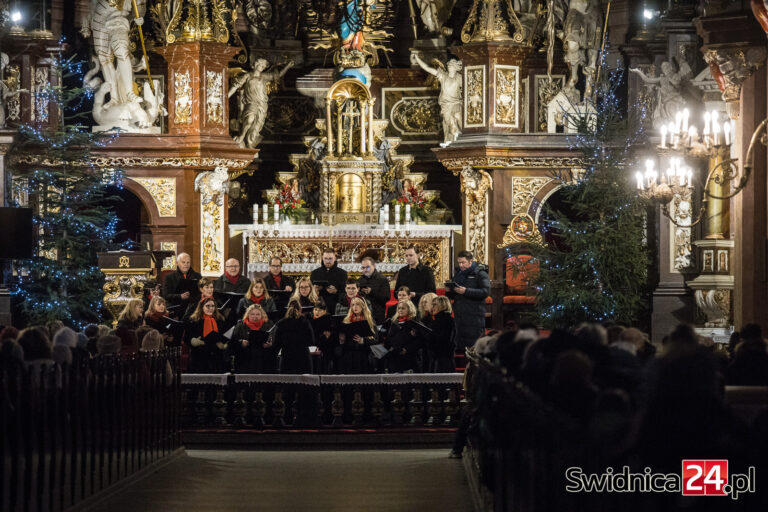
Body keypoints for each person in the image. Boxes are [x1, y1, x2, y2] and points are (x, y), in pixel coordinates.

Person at [228, 58, 294, 148]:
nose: (262, 67)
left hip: (262, 104)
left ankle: (249, 143)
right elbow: (235, 86)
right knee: (249, 119)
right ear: (255, 65)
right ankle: (241, 136)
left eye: (263, 66)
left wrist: (288, 66)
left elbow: (278, 75)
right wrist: (226, 96)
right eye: (261, 65)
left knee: (256, 126)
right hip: (251, 103)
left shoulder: (264, 76)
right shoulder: (247, 76)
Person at [447, 250, 490, 351]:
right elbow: (454, 295)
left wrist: (466, 291)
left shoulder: (480, 273)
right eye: (459, 262)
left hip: (474, 314)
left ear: (470, 262)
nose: (461, 265)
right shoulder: (458, 274)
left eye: (463, 262)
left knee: (473, 346)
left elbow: (485, 292)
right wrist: (449, 291)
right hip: (460, 314)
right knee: (460, 345)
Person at [228, 304, 276, 373]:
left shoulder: (269, 325)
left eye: (258, 314)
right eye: (252, 314)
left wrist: (270, 344)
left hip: (263, 361)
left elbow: (275, 340)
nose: (255, 317)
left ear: (262, 315)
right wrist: (241, 342)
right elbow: (232, 342)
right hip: (244, 360)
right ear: (248, 315)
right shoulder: (241, 325)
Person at [272, 299, 314, 374]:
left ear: (287, 309)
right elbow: (311, 341)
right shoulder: (305, 322)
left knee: (287, 382)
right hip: (303, 357)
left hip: (287, 358)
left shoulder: (281, 323)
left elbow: (276, 344)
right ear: (300, 309)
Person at [186, 297, 227, 373]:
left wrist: (223, 344)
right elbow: (187, 337)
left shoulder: (220, 320)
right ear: (201, 307)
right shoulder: (194, 320)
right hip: (199, 356)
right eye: (208, 306)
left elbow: (223, 336)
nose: (211, 308)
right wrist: (193, 341)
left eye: (213, 306)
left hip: (216, 356)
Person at [338, 297, 377, 374]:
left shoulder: (369, 320)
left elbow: (376, 340)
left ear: (363, 306)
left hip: (363, 356)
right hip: (349, 357)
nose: (355, 307)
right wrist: (342, 341)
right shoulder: (346, 320)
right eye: (353, 305)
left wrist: (363, 340)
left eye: (357, 304)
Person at [383, 300, 421, 373]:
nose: (400, 310)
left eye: (403, 308)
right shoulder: (393, 322)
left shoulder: (415, 323)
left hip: (408, 358)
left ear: (410, 309)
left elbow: (419, 341)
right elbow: (388, 338)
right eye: (399, 308)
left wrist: (407, 349)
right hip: (393, 358)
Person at [310, 248, 348, 315]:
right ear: (322, 258)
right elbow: (309, 292)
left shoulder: (342, 273)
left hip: (335, 305)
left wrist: (336, 291)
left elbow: (346, 293)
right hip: (318, 307)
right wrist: (315, 290)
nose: (328, 261)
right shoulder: (315, 273)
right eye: (325, 258)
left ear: (335, 258)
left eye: (330, 258)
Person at [357, 256, 391, 324]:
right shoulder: (360, 280)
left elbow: (386, 298)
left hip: (377, 314)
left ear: (374, 266)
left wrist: (371, 292)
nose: (365, 270)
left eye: (368, 267)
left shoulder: (382, 279)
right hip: (363, 315)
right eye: (363, 268)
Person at [428, 295, 456, 373]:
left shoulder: (447, 320)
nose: (432, 307)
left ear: (442, 305)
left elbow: (446, 339)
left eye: (435, 305)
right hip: (437, 357)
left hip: (443, 358)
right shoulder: (437, 320)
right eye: (432, 304)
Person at [311, 299, 335, 374]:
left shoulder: (330, 321)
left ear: (324, 311)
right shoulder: (309, 321)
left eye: (320, 310)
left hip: (325, 353)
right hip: (312, 352)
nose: (317, 312)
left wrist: (327, 337)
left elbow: (331, 339)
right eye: (315, 309)